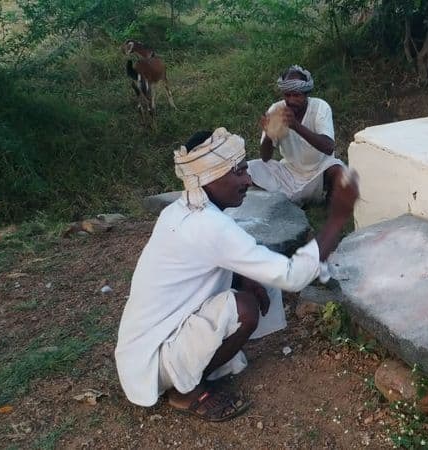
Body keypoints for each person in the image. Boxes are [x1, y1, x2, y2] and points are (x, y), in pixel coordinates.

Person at [114, 127, 358, 421]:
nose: (248, 180)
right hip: (155, 361)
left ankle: (191, 366)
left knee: (253, 277)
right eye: (239, 172)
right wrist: (337, 218)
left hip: (142, 352)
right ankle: (184, 391)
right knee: (245, 309)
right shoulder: (209, 225)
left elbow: (212, 260)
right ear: (210, 177)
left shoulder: (183, 210)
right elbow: (291, 276)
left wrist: (243, 277)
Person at [248, 64, 347, 204]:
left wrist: (296, 126)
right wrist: (268, 134)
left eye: (296, 95)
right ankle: (287, 198)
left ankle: (328, 200)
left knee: (339, 171)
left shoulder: (320, 107)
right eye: (287, 95)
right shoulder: (276, 109)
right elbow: (265, 157)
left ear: (306, 94)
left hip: (319, 170)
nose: (291, 100)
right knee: (249, 169)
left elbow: (329, 147)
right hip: (290, 172)